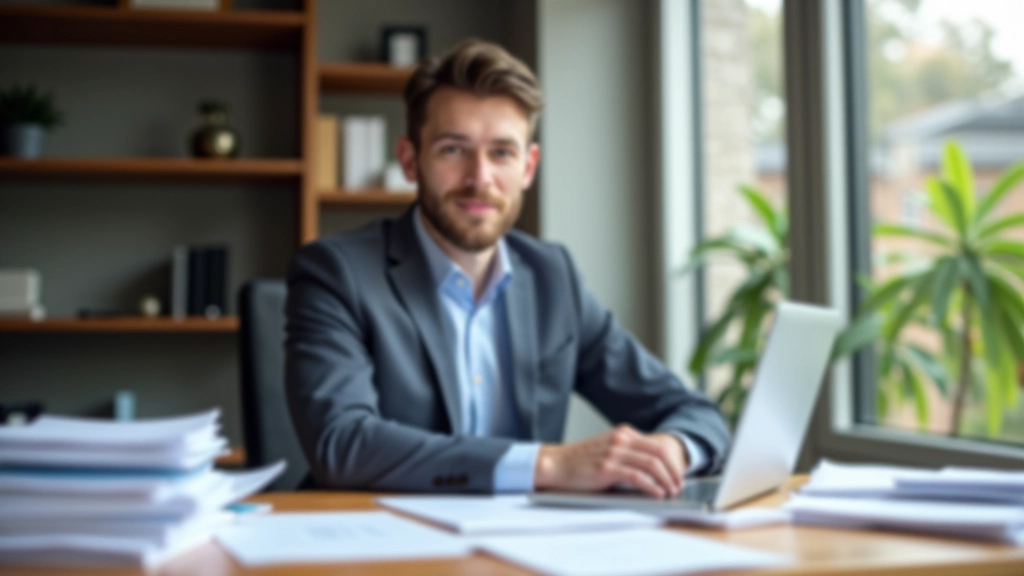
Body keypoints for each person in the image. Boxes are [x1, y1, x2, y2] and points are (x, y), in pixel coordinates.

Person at [285, 38, 729, 498]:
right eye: (453, 150)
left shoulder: (553, 277)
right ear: (410, 160)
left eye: (501, 153)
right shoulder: (336, 273)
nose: (480, 178)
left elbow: (695, 413)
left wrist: (671, 451)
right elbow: (342, 444)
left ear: (528, 167)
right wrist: (549, 463)